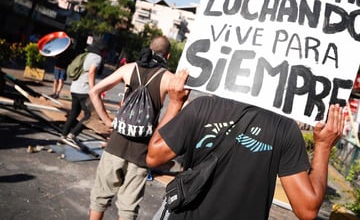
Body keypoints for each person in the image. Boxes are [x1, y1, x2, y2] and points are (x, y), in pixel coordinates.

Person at [147, 80, 344, 220]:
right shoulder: (285, 129)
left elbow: (154, 157)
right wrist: (323, 147)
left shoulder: (203, 107)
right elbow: (307, 210)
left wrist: (175, 103)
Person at [88, 36, 189, 220]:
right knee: (128, 208)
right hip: (141, 152)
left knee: (99, 198)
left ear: (149, 48)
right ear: (167, 55)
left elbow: (94, 91)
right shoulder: (168, 78)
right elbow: (181, 110)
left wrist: (108, 121)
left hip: (115, 145)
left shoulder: (128, 68)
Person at [60, 39, 106, 144]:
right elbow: (92, 73)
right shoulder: (96, 57)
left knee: (74, 113)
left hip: (75, 88)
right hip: (84, 90)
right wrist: (93, 90)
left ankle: (63, 135)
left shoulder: (85, 55)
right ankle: (72, 134)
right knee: (91, 115)